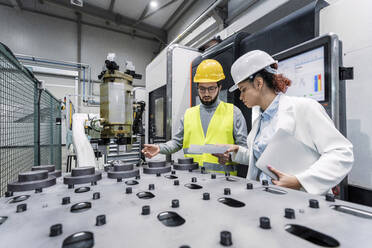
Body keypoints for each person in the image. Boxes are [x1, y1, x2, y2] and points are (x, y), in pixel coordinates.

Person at [213, 50, 353, 195]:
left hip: (301, 200)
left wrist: (300, 181)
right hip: (267, 196)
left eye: (243, 90)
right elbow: (266, 159)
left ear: (258, 83)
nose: (241, 97)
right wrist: (236, 152)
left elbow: (342, 152)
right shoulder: (259, 118)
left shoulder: (304, 108)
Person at [142, 59, 247, 175]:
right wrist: (159, 148)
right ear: (197, 88)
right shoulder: (188, 114)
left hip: (224, 182)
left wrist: (230, 156)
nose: (206, 94)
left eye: (211, 88)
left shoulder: (234, 113)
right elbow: (177, 143)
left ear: (219, 87)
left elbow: (243, 150)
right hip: (192, 181)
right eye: (202, 89)